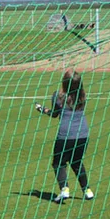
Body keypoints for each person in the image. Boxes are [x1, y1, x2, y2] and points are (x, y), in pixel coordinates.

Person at [35, 69, 93, 203]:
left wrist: (42, 110)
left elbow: (55, 114)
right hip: (83, 134)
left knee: (58, 163)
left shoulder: (58, 96)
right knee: (77, 162)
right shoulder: (82, 95)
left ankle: (64, 189)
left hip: (66, 135)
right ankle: (87, 190)